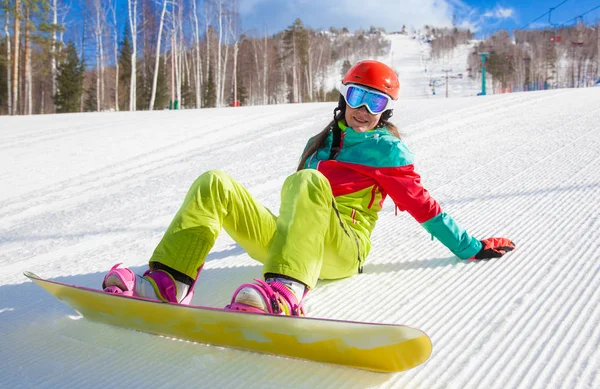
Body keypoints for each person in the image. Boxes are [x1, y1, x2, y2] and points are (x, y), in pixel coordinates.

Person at [102, 60, 515, 316]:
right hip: (292, 245)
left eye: (374, 103)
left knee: (308, 180)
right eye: (356, 96)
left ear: (386, 110)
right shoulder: (317, 145)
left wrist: (471, 246)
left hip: (342, 250)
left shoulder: (388, 150)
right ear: (343, 97)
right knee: (215, 183)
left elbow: (424, 207)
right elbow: (298, 206)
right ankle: (169, 281)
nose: (362, 111)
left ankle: (284, 293)